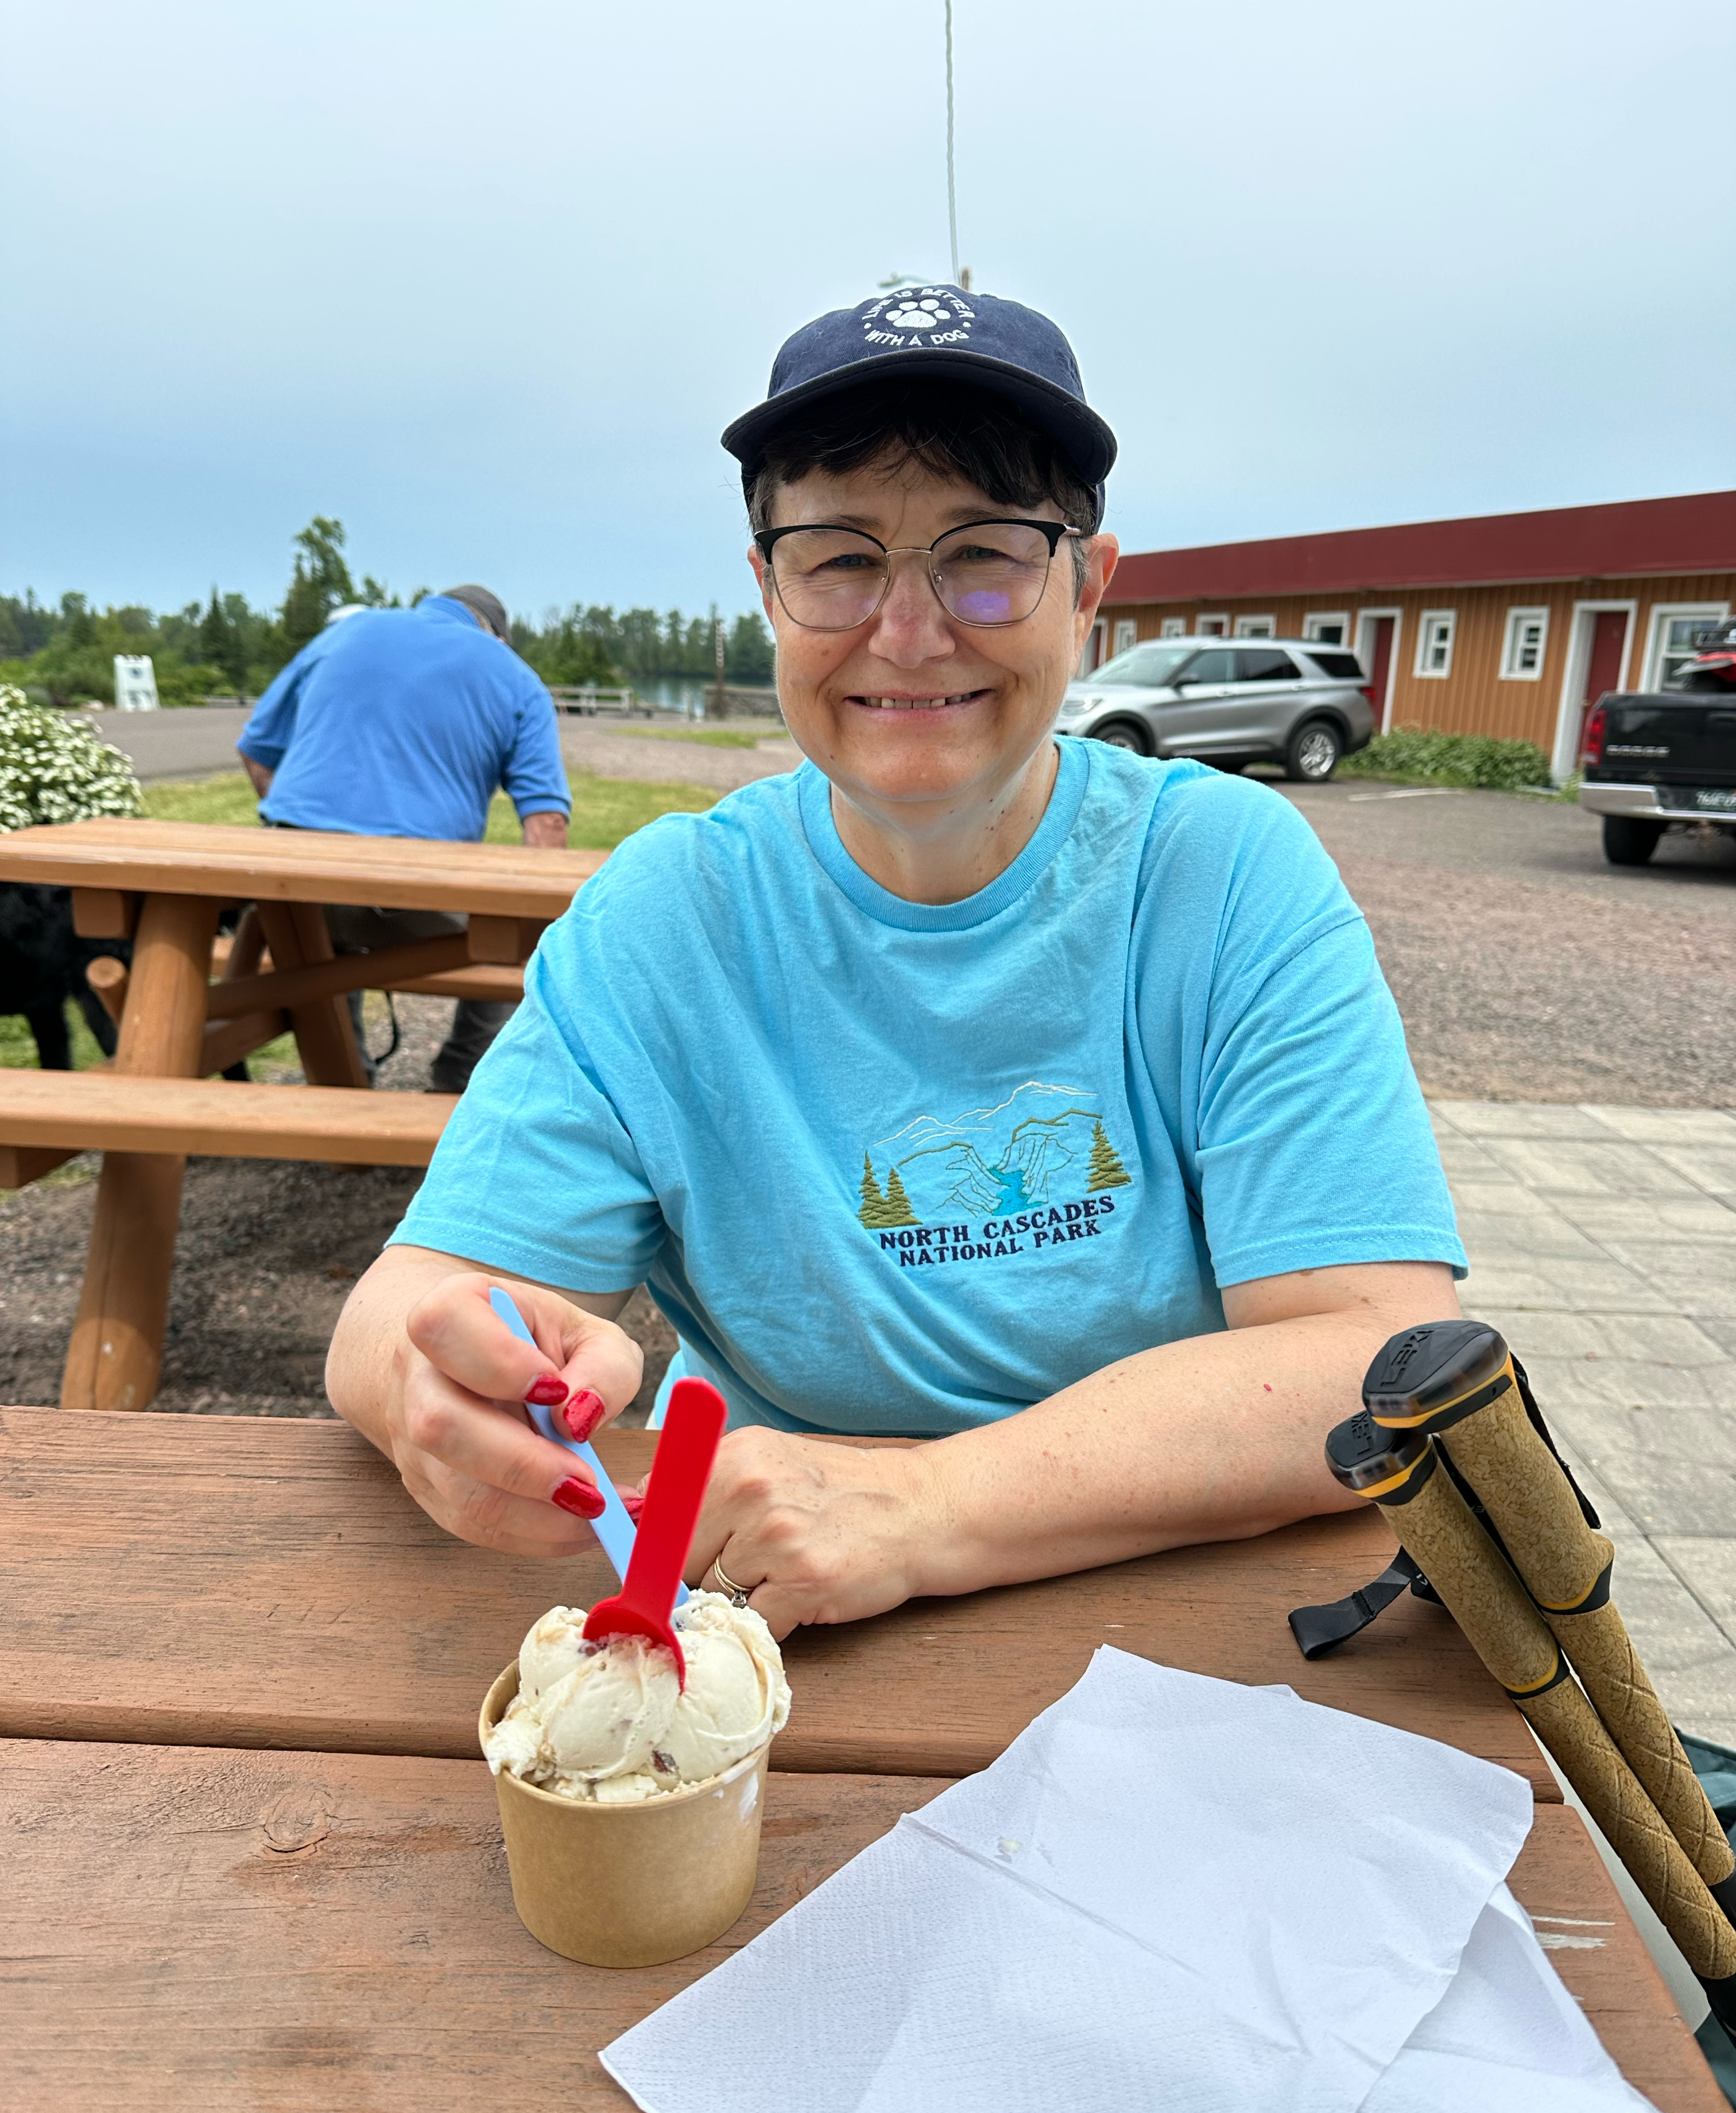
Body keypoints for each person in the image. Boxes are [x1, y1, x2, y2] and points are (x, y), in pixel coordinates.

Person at [327, 288, 1465, 1638]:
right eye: (842, 559)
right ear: (766, 586)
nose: (911, 631)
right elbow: (402, 1310)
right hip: (780, 1615)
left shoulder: (1224, 874)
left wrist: (922, 1512)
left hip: (1181, 1597)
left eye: (984, 557)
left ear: (1088, 588)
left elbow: (1374, 1358)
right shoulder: (670, 916)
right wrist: (444, 1388)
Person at [237, 586, 571, 1092]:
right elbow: (547, 827)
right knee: (524, 943)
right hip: (413, 903)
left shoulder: (347, 632)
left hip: (290, 895)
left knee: (320, 943)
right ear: (498, 637)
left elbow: (257, 752)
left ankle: (342, 1083)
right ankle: (457, 1081)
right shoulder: (516, 677)